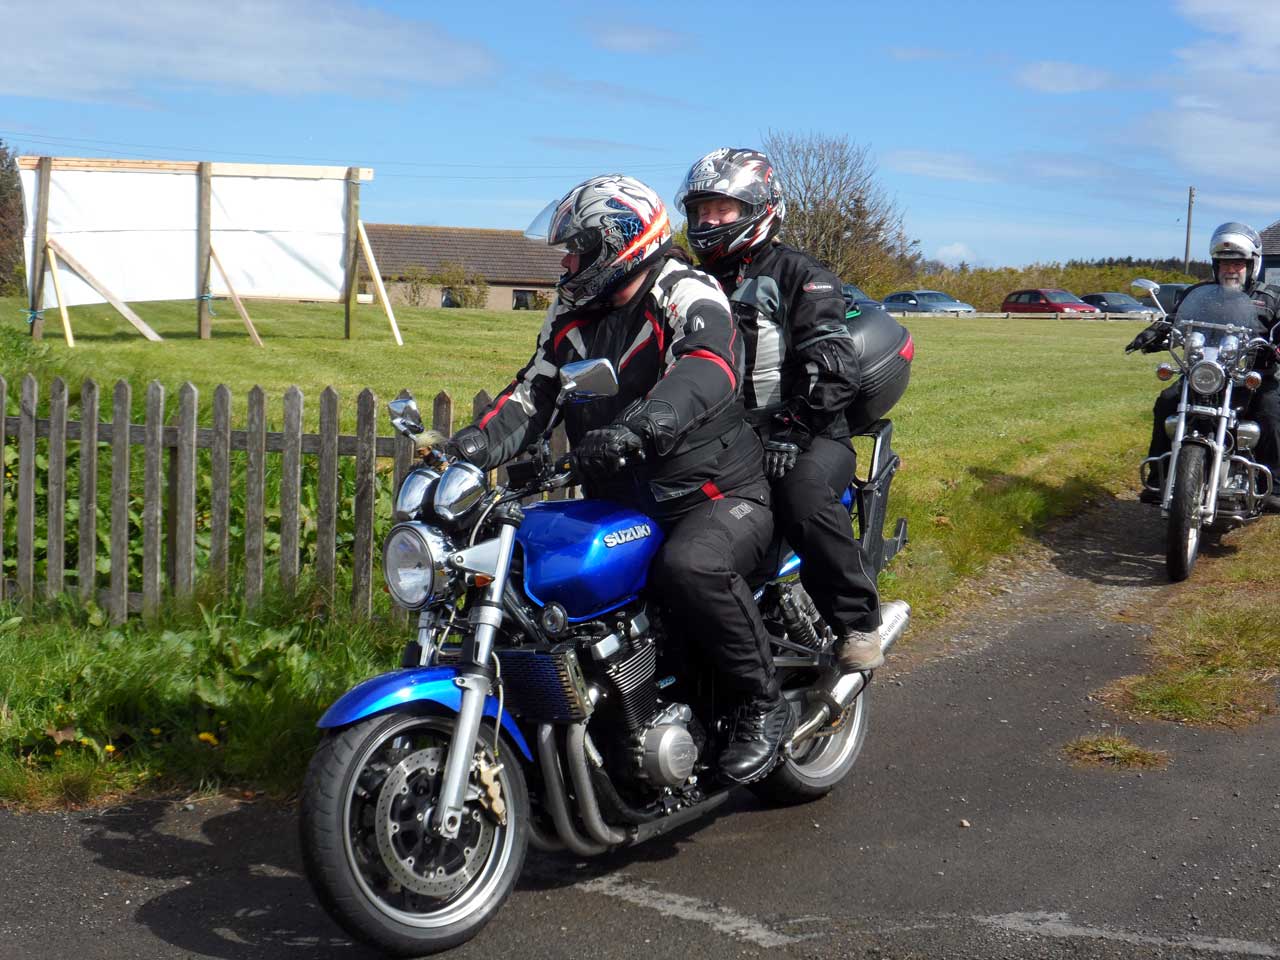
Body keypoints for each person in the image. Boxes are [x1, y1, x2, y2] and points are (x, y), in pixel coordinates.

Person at [447, 174, 794, 784]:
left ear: (620, 243)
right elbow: (534, 392)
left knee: (691, 568)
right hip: (623, 499)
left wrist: (645, 425)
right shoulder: (573, 311)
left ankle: (760, 707)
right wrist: (473, 446)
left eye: (579, 249)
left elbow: (708, 366)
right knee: (540, 582)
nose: (569, 262)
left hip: (713, 493)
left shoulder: (685, 289)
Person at [675, 147, 897, 672]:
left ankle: (857, 622)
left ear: (759, 208)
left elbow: (833, 362)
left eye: (722, 210)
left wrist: (794, 429)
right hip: (721, 439)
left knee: (801, 492)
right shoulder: (689, 279)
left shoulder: (800, 273)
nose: (709, 221)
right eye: (701, 210)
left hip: (809, 431)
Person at [1127, 221, 1280, 509]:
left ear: (1252, 264)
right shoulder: (1200, 293)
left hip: (1252, 377)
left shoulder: (1270, 297)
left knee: (1272, 412)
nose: (1231, 269)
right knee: (1167, 401)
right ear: (1215, 265)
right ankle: (1160, 477)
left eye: (1238, 263)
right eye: (1224, 263)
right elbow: (1176, 320)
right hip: (1205, 373)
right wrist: (1154, 333)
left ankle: (1274, 486)